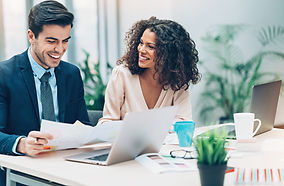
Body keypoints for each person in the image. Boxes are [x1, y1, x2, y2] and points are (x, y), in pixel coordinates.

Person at [0, 0, 89, 184]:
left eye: (65, 41)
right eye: (51, 41)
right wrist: (22, 144)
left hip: (67, 172)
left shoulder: (72, 74)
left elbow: (83, 125)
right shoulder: (4, 75)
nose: (59, 49)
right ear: (31, 36)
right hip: (21, 175)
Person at [98, 17, 200, 125]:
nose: (141, 50)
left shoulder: (177, 80)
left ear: (169, 53)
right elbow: (107, 122)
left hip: (165, 142)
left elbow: (184, 122)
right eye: (141, 43)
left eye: (150, 47)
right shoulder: (122, 74)